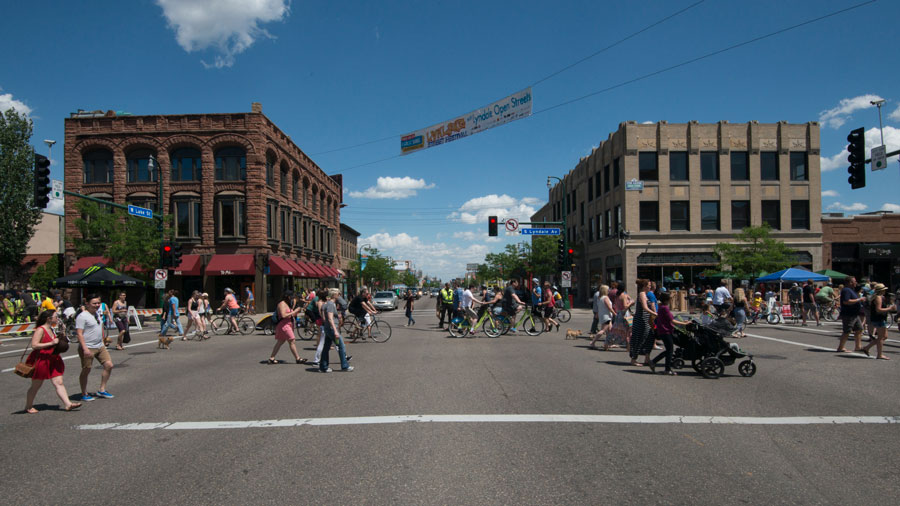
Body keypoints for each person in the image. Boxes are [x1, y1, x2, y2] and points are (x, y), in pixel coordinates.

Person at [23, 310, 82, 413]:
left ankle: (68, 404)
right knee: (36, 385)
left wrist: (62, 333)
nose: (57, 318)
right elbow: (34, 345)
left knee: (59, 382)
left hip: (53, 359)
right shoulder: (41, 329)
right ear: (49, 318)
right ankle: (28, 406)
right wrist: (51, 343)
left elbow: (58, 342)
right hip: (42, 359)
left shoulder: (51, 328)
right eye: (56, 316)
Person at [75, 294, 114, 402]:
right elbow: (79, 334)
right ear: (87, 303)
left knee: (109, 365)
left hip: (99, 345)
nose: (97, 305)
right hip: (88, 347)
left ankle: (102, 389)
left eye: (98, 303)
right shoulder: (82, 316)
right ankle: (84, 393)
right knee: (86, 370)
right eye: (94, 303)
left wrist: (102, 340)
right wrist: (85, 349)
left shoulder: (97, 314)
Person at [648, 292, 690, 375]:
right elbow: (672, 320)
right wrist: (685, 324)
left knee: (669, 350)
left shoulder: (661, 307)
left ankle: (654, 362)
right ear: (667, 300)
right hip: (666, 331)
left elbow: (670, 318)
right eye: (670, 298)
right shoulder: (665, 308)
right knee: (670, 350)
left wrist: (682, 321)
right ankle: (665, 368)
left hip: (663, 330)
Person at [267, 290, 309, 364]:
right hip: (284, 326)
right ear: (287, 297)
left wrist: (296, 312)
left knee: (280, 342)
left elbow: (290, 314)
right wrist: (294, 311)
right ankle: (298, 358)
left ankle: (271, 358)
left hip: (288, 324)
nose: (292, 298)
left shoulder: (287, 303)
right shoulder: (282, 304)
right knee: (292, 341)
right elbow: (283, 315)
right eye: (291, 297)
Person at [320, 289, 353, 373]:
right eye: (338, 294)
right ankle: (345, 366)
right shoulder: (331, 304)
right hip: (332, 328)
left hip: (328, 328)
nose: (339, 295)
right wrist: (335, 330)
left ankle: (323, 367)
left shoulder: (327, 304)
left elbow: (324, 317)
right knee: (341, 346)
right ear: (334, 295)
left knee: (326, 347)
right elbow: (330, 318)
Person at [860, 283, 895, 360]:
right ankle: (879, 354)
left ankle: (866, 348)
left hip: (879, 318)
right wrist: (890, 309)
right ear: (881, 290)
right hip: (879, 318)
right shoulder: (878, 297)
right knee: (881, 337)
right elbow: (878, 310)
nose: (885, 291)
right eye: (884, 289)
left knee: (884, 336)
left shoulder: (879, 297)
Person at [629, 279, 658, 367]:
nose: (650, 286)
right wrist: (655, 313)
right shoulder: (642, 294)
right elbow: (645, 307)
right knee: (640, 339)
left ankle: (647, 358)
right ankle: (634, 359)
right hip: (641, 320)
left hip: (646, 320)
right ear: (644, 286)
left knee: (650, 337)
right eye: (648, 285)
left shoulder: (645, 294)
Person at [836, 277, 866, 353]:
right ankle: (841, 347)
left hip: (855, 314)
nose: (856, 283)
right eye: (854, 281)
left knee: (859, 329)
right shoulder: (846, 290)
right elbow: (846, 301)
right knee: (847, 331)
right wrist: (859, 299)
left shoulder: (851, 290)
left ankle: (858, 347)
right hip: (849, 314)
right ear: (850, 282)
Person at [589, 285, 616, 349]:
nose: (609, 290)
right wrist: (615, 313)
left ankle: (609, 344)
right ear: (605, 290)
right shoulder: (605, 297)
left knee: (610, 330)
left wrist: (597, 314)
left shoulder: (600, 298)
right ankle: (592, 342)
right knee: (603, 330)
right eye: (608, 289)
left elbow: (599, 307)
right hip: (606, 316)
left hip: (603, 315)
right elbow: (609, 307)